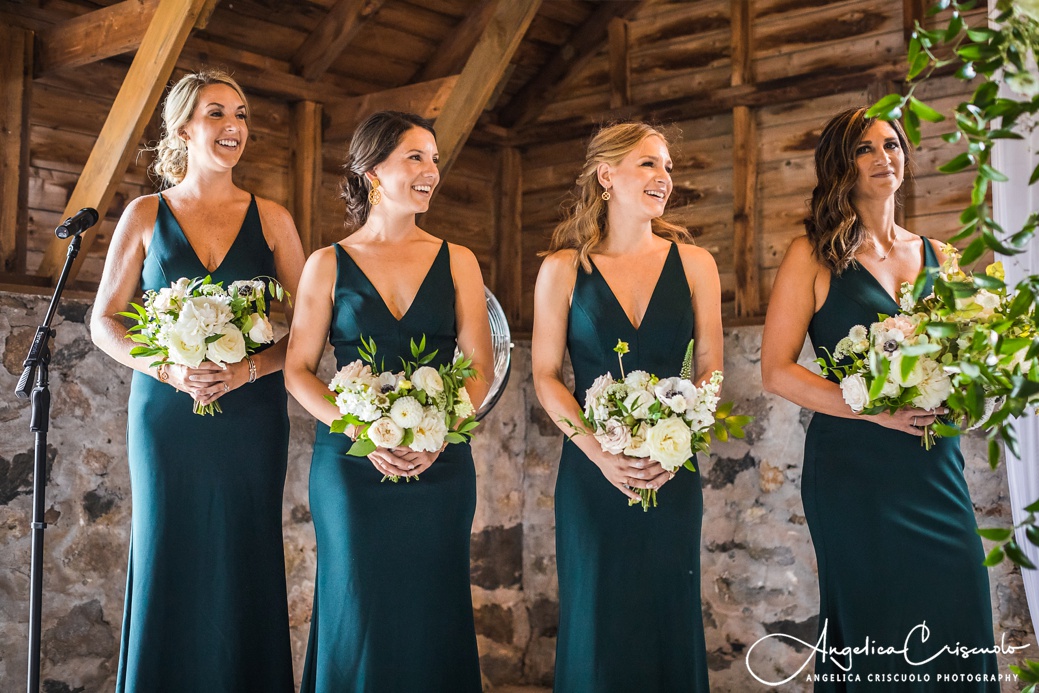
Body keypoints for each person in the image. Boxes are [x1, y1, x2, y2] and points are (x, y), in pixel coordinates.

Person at [760, 107, 998, 690]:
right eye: (865, 148)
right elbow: (776, 371)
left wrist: (974, 394)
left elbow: (967, 359)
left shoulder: (944, 258)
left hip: (932, 465)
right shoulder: (811, 255)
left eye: (892, 144)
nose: (884, 156)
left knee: (959, 596)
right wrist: (876, 410)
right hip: (853, 474)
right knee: (875, 619)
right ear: (841, 164)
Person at [90, 69, 305, 692]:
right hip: (165, 414)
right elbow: (103, 321)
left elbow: (307, 327)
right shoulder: (144, 214)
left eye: (240, 115)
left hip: (251, 413)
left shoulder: (273, 219)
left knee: (246, 551)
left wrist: (248, 368)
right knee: (166, 550)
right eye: (217, 114)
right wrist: (165, 365)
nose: (233, 127)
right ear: (184, 128)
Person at [284, 110, 493, 692]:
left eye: (433, 158)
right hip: (352, 465)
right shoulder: (326, 263)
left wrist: (439, 433)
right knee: (357, 605)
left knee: (433, 606)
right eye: (416, 157)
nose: (432, 171)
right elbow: (299, 371)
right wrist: (362, 430)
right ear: (374, 170)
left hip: (442, 463)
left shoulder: (459, 260)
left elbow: (480, 366)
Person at [531, 122, 722, 692]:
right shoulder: (562, 269)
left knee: (669, 613)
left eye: (667, 166)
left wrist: (682, 440)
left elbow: (710, 366)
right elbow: (545, 376)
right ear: (606, 176)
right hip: (593, 477)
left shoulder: (696, 265)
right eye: (648, 164)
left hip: (673, 470)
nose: (663, 177)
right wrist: (600, 454)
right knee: (597, 621)